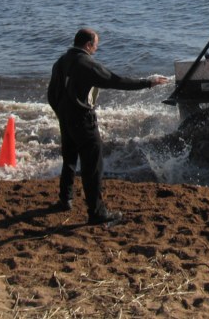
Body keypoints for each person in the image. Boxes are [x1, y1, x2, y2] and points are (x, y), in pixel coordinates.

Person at [47, 28, 168, 225]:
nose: (96, 48)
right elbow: (116, 81)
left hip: (65, 118)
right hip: (83, 120)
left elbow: (51, 94)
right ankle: (96, 212)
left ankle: (65, 198)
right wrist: (148, 82)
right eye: (96, 45)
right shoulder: (87, 64)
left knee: (69, 158)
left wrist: (61, 113)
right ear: (88, 45)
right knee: (93, 166)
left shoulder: (61, 61)